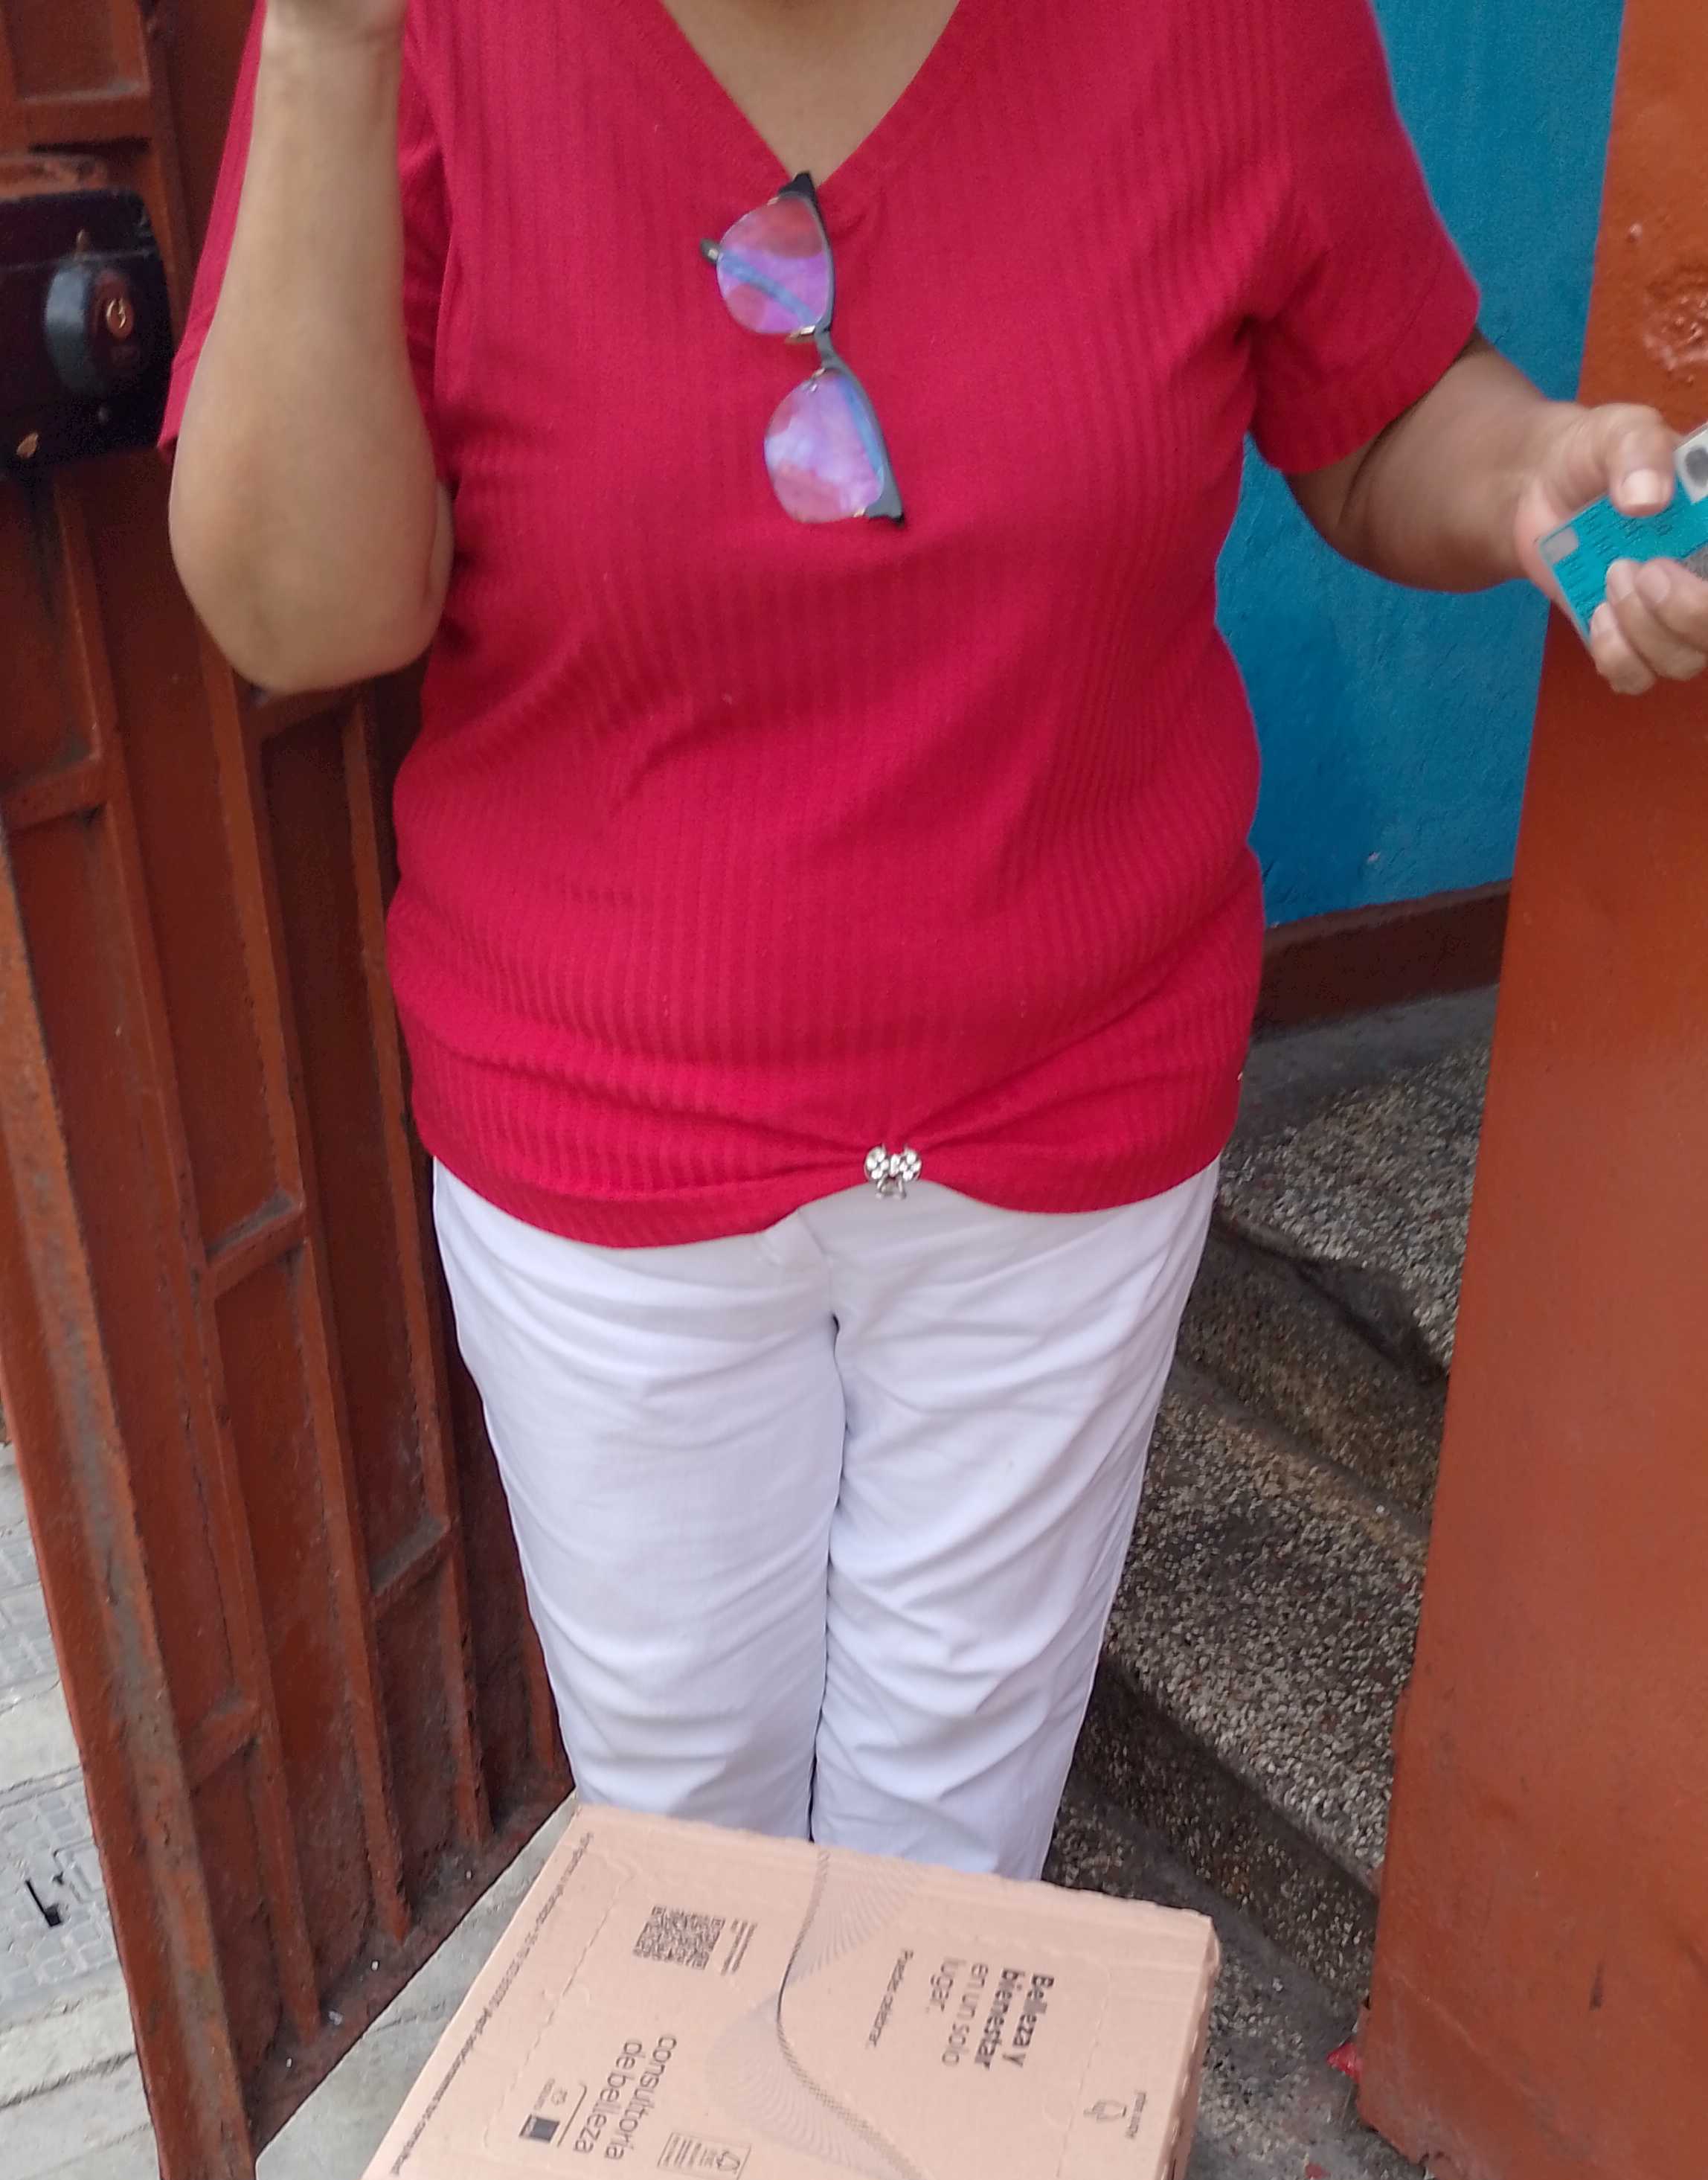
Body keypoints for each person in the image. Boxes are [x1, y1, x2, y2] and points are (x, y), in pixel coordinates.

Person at [166, 0, 1708, 1882]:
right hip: (608, 1134)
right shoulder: (421, 38)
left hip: (1065, 1114)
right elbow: (303, 614)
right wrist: (325, 49)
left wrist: (1524, 471)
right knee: (683, 1830)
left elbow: (1378, 413)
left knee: (957, 1830)